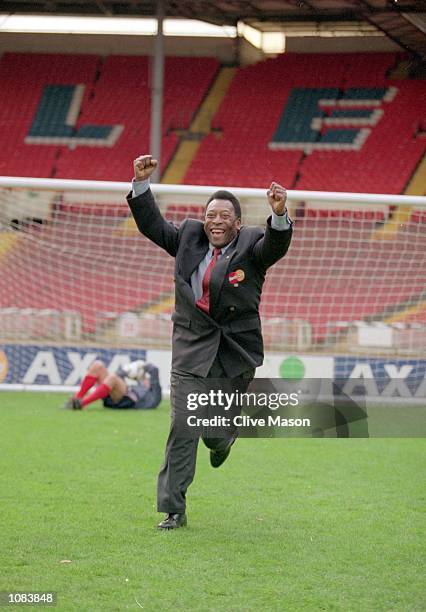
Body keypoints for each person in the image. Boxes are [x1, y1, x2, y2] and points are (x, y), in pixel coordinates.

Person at [127, 154, 293, 530]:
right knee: (183, 426)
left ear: (237, 223)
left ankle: (223, 442)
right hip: (190, 347)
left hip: (234, 352)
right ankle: (174, 509)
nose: (215, 221)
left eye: (224, 217)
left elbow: (275, 248)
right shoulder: (187, 237)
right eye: (211, 215)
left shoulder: (252, 243)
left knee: (215, 433)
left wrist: (280, 216)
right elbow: (152, 225)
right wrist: (140, 184)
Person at [63, 359, 162, 410]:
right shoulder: (139, 385)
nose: (146, 379)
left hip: (126, 401)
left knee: (113, 378)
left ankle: (82, 404)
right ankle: (76, 399)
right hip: (117, 393)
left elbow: (155, 370)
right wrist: (125, 372)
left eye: (148, 379)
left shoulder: (153, 397)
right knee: (98, 365)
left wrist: (146, 366)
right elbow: (120, 376)